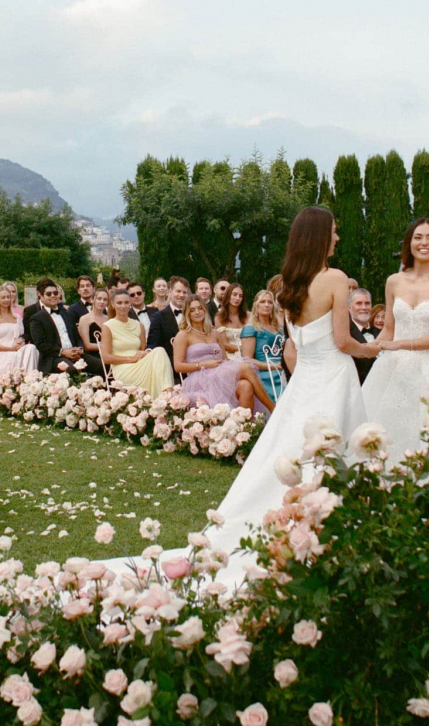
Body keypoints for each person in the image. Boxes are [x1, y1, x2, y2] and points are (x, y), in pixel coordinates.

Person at [109, 206, 370, 586]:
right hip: (334, 375)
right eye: (333, 231)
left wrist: (301, 379)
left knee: (290, 449)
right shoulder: (334, 278)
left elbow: (293, 350)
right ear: (318, 237)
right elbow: (345, 341)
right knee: (334, 445)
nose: (337, 238)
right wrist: (379, 347)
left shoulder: (293, 285)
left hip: (307, 380)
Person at [361, 218, 429, 465]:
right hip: (393, 370)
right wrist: (367, 348)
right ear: (409, 243)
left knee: (428, 434)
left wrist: (400, 344)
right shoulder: (394, 281)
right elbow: (388, 330)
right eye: (418, 237)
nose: (424, 243)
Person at [174, 295, 275, 413]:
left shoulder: (214, 333)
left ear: (204, 310)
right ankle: (273, 408)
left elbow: (225, 359)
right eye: (192, 310)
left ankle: (244, 427)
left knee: (245, 386)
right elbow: (178, 366)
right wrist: (202, 364)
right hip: (200, 378)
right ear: (187, 313)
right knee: (245, 367)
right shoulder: (183, 335)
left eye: (200, 308)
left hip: (219, 372)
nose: (197, 312)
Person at [100, 288, 175, 395]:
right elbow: (106, 358)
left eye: (126, 302)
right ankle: (168, 396)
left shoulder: (138, 325)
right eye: (119, 303)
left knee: (159, 351)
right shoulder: (108, 326)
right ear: (112, 304)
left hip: (140, 364)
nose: (123, 306)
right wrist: (131, 358)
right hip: (123, 369)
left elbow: (143, 351)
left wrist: (141, 356)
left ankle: (166, 394)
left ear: (130, 303)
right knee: (159, 353)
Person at [28, 280, 102, 377]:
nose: (53, 296)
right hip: (54, 358)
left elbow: (77, 337)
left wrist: (79, 349)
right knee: (73, 370)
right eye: (48, 294)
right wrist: (62, 352)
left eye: (55, 293)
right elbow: (41, 344)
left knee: (104, 366)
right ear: (41, 296)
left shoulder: (67, 314)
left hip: (76, 355)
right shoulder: (37, 318)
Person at [240, 289, 287, 402]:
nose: (266, 305)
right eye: (262, 302)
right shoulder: (251, 329)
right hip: (265, 374)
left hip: (284, 369)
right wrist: (273, 366)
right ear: (256, 305)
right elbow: (247, 359)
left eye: (270, 302)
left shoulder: (279, 328)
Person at [0, 285, 39, 375]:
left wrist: (21, 341)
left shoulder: (17, 317)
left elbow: (23, 336)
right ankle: (24, 380)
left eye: (8, 297)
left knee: (31, 348)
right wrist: (11, 349)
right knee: (16, 355)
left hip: (17, 349)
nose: (6, 300)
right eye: (3, 298)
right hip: (2, 352)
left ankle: (29, 379)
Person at [146, 276, 191, 371]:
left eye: (184, 292)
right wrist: (148, 352)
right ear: (170, 291)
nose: (181, 295)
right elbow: (152, 343)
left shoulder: (193, 314)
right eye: (178, 291)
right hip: (170, 367)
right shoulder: (158, 317)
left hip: (195, 363)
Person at [347, 287, 377, 385]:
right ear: (349, 308)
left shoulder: (381, 332)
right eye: (359, 303)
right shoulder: (345, 333)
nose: (364, 307)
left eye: (367, 303)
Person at [214, 283, 248, 358]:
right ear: (228, 295)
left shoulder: (249, 316)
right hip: (230, 355)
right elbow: (224, 345)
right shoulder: (219, 318)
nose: (237, 298)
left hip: (249, 354)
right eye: (234, 294)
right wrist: (244, 349)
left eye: (240, 296)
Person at [77, 287, 110, 354]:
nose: (102, 302)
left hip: (108, 353)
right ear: (92, 300)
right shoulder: (84, 319)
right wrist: (106, 346)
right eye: (99, 298)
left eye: (105, 299)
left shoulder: (109, 319)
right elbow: (87, 346)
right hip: (92, 355)